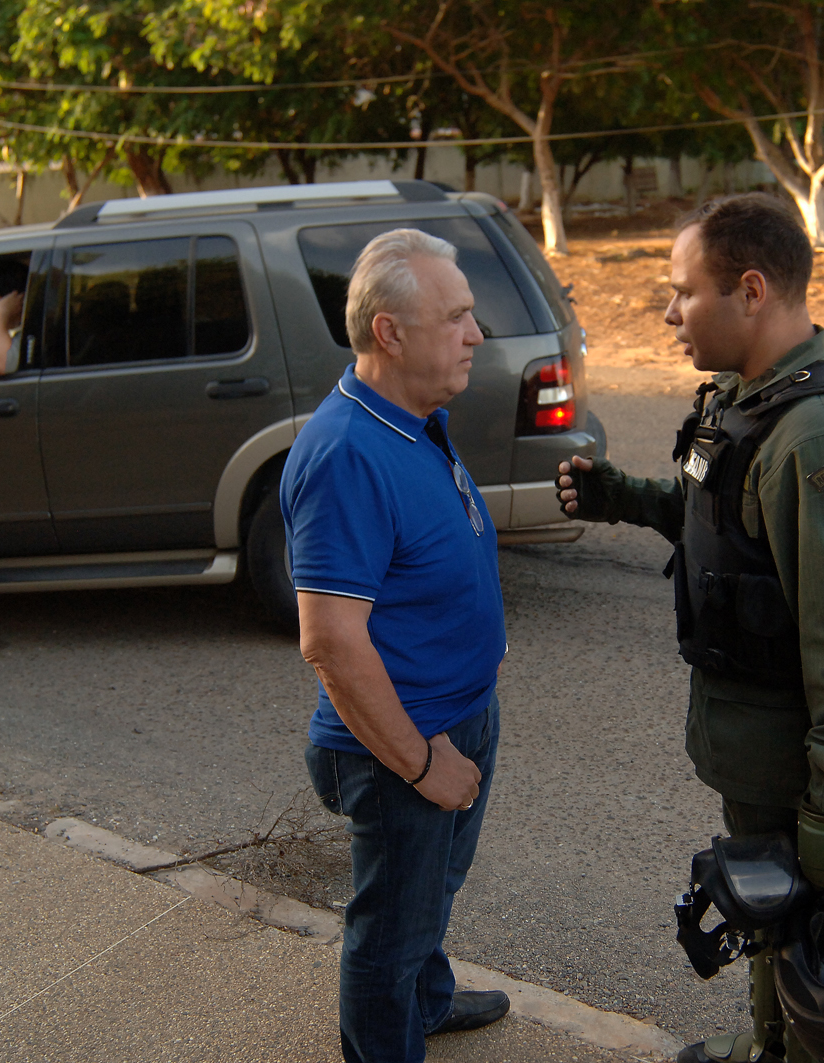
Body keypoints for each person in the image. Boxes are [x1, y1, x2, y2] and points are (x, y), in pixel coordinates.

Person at [556, 194, 824, 1063]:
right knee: (769, 907)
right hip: (755, 744)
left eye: (683, 292)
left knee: (819, 942)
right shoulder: (747, 400)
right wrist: (629, 501)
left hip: (806, 763)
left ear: (751, 291)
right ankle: (767, 1043)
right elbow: (722, 518)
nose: (669, 312)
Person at [282, 228, 511, 1063]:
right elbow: (332, 643)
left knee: (431, 893)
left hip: (457, 714)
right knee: (390, 926)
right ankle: (389, 1035)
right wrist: (421, 762)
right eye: (456, 317)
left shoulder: (414, 417)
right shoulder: (346, 452)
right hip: (398, 748)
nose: (475, 333)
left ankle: (428, 998)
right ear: (390, 332)